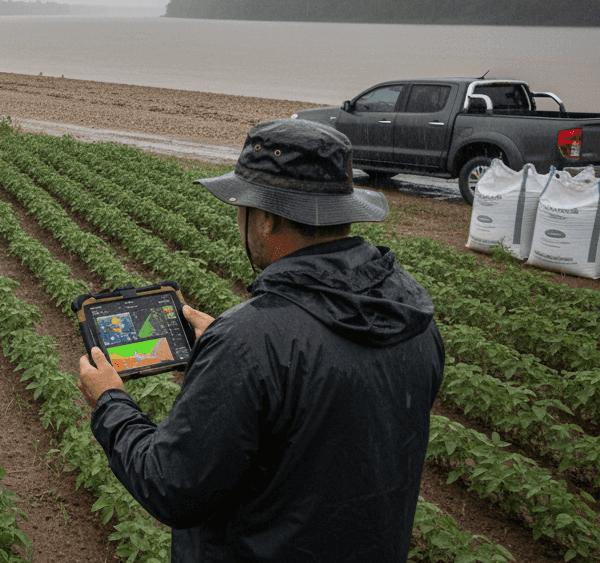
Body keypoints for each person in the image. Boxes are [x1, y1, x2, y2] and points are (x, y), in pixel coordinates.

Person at [77, 118, 445, 562]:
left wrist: (111, 403)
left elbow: (171, 487)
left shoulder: (249, 343)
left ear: (265, 219)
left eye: (241, 207)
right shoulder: (413, 316)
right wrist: (238, 354)